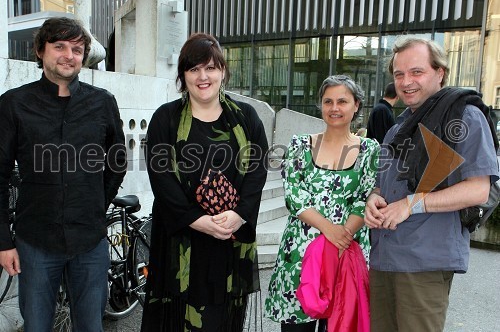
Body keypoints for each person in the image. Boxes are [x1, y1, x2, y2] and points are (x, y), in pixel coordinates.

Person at [0, 17, 127, 331]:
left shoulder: (102, 103)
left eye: (77, 49)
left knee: (91, 326)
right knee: (37, 326)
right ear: (41, 51)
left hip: (90, 242)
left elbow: (117, 161)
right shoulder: (14, 105)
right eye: (60, 46)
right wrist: (4, 242)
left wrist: (97, 204)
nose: (69, 55)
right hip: (35, 243)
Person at [364, 37, 499, 332]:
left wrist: (411, 204)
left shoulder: (464, 116)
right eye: (399, 74)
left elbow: (479, 188)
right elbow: (382, 186)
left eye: (416, 72)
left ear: (440, 73)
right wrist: (373, 199)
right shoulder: (397, 129)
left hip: (424, 261)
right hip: (384, 258)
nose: (405, 81)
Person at [141, 33, 268, 332]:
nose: (203, 76)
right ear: (183, 74)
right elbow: (161, 178)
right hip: (180, 242)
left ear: (223, 71)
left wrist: (239, 215)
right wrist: (196, 220)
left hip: (227, 241)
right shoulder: (165, 119)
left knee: (219, 320)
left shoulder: (246, 118)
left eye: (210, 68)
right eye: (194, 69)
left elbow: (257, 170)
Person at [265, 75, 380, 331]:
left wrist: (344, 236)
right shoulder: (299, 145)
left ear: (356, 105)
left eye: (342, 101)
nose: (334, 108)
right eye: (328, 101)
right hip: (301, 254)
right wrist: (331, 230)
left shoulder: (370, 150)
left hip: (346, 254)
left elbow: (366, 196)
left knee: (341, 323)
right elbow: (294, 195)